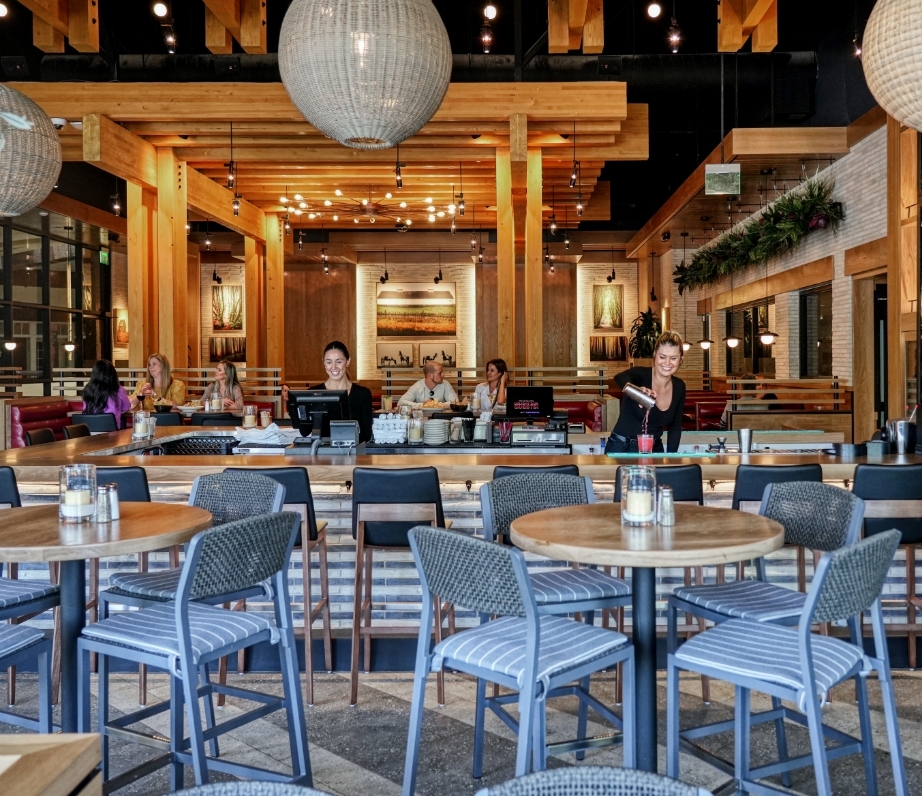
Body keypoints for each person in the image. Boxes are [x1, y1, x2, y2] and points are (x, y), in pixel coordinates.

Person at [605, 331, 687, 454]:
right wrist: (637, 390)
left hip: (655, 449)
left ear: (681, 359)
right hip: (621, 447)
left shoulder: (679, 386)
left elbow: (675, 428)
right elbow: (619, 378)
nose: (667, 363)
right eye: (662, 357)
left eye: (673, 358)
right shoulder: (640, 375)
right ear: (655, 355)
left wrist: (671, 456)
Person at [307, 341, 373, 443]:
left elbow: (366, 434)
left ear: (348, 361)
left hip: (352, 451)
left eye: (338, 362)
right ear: (324, 363)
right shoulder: (312, 393)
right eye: (329, 362)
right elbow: (305, 431)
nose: (333, 367)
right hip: (321, 452)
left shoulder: (363, 394)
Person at [82, 359, 132, 429]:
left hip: (90, 432)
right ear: (113, 375)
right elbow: (126, 407)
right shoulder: (119, 390)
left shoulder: (87, 390)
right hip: (112, 433)